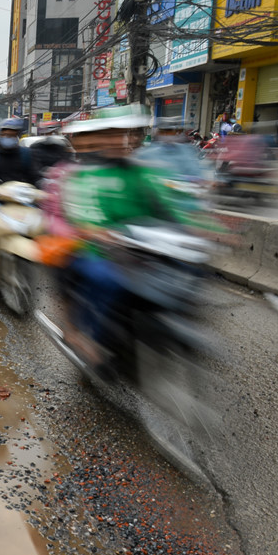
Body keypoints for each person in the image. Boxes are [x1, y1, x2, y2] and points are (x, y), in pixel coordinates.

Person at [53, 105, 202, 366]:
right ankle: (92, 337)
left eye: (129, 133)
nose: (123, 140)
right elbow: (83, 215)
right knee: (107, 280)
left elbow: (173, 206)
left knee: (189, 270)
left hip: (143, 250)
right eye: (114, 134)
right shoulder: (84, 175)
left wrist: (198, 228)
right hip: (98, 251)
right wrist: (100, 233)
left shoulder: (148, 171)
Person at [0, 118, 38, 187]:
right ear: (0, 135)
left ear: (17, 136)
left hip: (21, 193)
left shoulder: (26, 154)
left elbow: (35, 177)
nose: (7, 137)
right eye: (4, 135)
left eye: (11, 135)